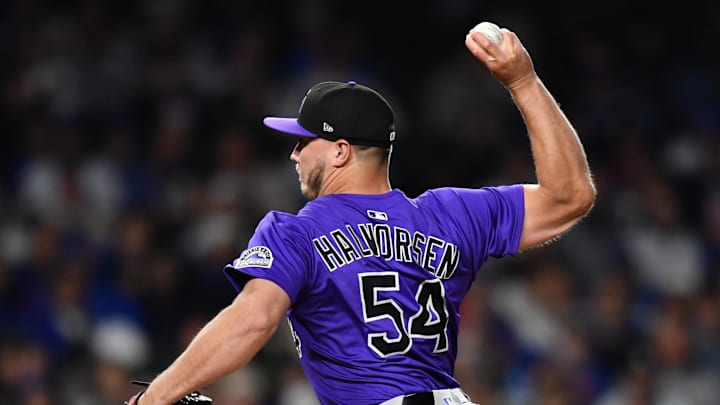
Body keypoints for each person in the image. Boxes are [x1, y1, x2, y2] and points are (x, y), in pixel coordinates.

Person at [127, 24, 596, 405]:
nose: (294, 155)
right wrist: (523, 83)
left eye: (303, 141)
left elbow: (252, 320)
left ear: (339, 152)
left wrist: (157, 398)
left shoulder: (295, 232)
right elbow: (570, 196)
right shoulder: (453, 214)